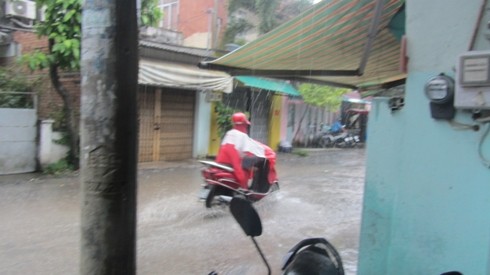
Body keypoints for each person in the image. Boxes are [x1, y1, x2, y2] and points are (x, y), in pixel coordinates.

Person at [215, 112, 266, 190]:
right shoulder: (242, 135)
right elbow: (251, 149)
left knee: (247, 165)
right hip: (234, 162)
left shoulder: (229, 133)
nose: (246, 127)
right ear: (243, 124)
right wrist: (264, 152)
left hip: (222, 162)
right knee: (252, 166)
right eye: (245, 125)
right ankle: (245, 189)